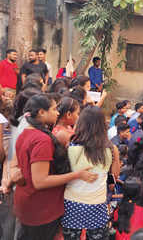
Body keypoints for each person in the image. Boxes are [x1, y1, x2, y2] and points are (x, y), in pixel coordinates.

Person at [13, 94, 97, 240]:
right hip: (40, 208)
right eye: (53, 109)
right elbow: (40, 181)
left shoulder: (26, 133)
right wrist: (77, 175)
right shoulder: (42, 140)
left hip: (28, 204)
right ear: (41, 112)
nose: (57, 112)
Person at [62, 106, 120, 239]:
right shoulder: (111, 149)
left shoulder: (70, 146)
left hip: (71, 204)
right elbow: (115, 175)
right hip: (97, 205)